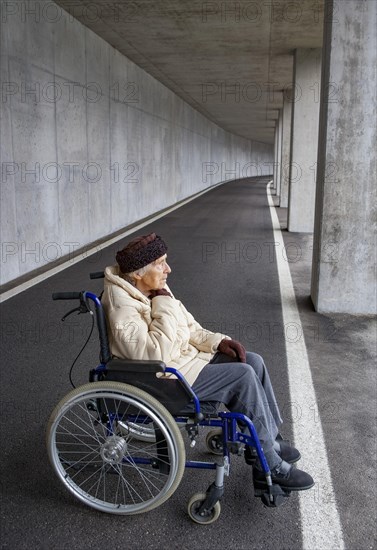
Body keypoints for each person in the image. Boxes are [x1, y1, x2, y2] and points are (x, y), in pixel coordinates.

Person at [102, 232, 314, 491]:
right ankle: (268, 462)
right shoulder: (122, 303)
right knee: (242, 377)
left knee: (253, 362)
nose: (168, 269)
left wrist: (218, 342)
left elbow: (190, 328)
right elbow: (153, 353)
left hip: (183, 365)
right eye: (161, 263)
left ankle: (268, 439)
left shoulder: (154, 288)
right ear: (137, 273)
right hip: (162, 380)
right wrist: (163, 303)